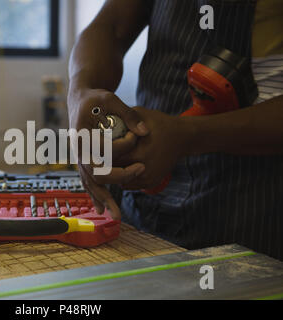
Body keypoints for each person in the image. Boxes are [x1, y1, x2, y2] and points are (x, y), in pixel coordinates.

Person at [67, 0, 283, 260]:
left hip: (248, 207)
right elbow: (111, 25)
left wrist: (188, 135)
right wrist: (81, 92)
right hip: (145, 205)